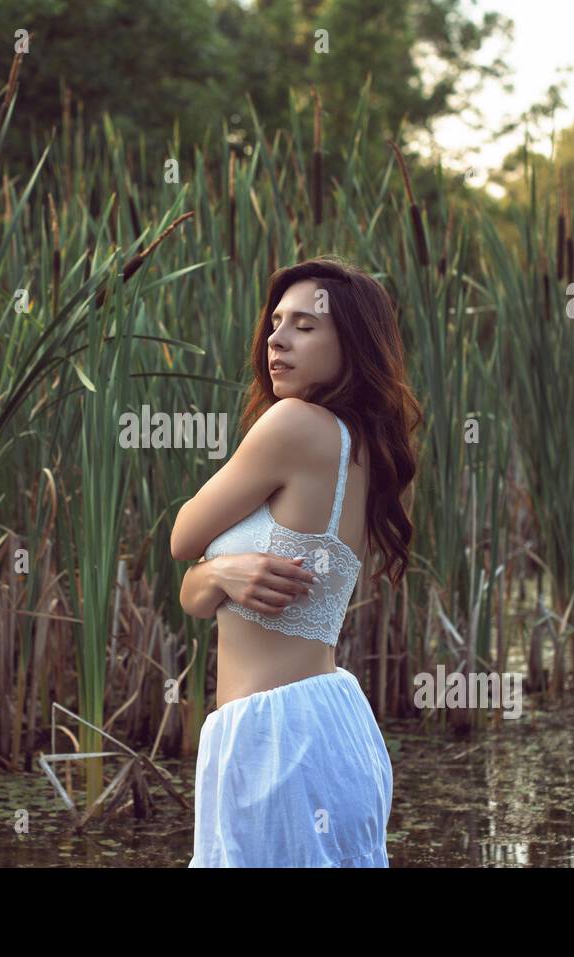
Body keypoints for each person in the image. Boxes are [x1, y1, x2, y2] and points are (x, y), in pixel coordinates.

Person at [170, 255, 420, 867]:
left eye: (306, 326)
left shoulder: (293, 425)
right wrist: (220, 573)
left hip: (274, 740)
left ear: (353, 343)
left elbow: (181, 536)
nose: (276, 340)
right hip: (320, 723)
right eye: (277, 322)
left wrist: (206, 567)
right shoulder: (370, 448)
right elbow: (194, 593)